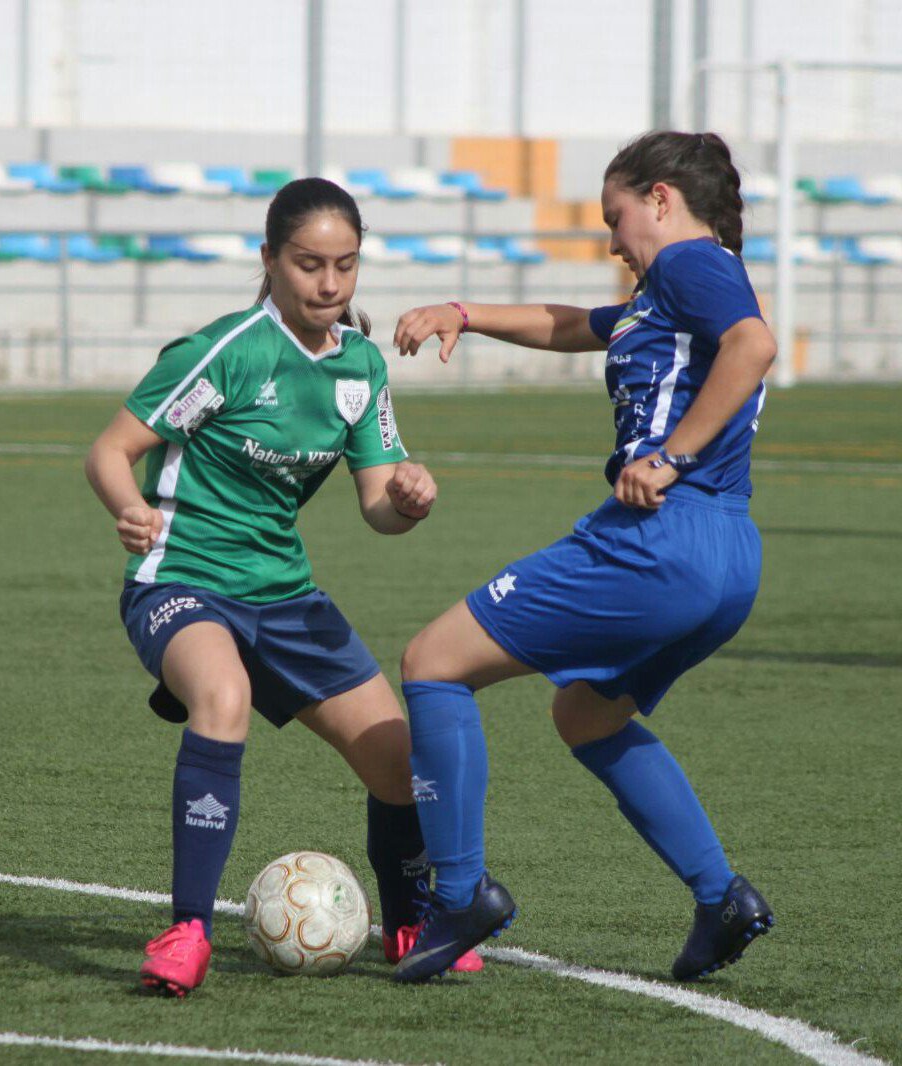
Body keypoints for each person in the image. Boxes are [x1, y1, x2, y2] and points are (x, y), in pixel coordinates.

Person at [387, 131, 779, 984]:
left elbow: (754, 345)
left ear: (664, 199)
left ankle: (458, 897)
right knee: (586, 715)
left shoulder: (688, 265)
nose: (612, 241)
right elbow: (574, 325)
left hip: (659, 540)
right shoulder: (665, 293)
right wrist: (465, 313)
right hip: (728, 555)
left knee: (432, 663)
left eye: (617, 217)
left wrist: (670, 456)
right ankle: (720, 898)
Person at [85, 177, 481, 996]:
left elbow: (377, 505)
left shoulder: (362, 368)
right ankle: (187, 930)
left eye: (345, 265)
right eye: (308, 264)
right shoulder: (224, 351)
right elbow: (110, 450)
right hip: (182, 579)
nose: (329, 284)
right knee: (221, 697)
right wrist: (130, 510)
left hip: (285, 597)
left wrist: (409, 498)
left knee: (398, 762)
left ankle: (408, 921)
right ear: (270, 262)